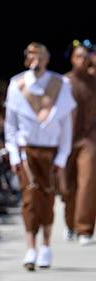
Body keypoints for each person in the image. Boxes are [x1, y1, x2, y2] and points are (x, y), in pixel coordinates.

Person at [4, 42, 76, 270]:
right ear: (27, 59)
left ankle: (46, 246)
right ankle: (31, 247)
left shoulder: (60, 84)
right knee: (29, 198)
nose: (37, 60)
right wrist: (14, 154)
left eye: (41, 56)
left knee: (47, 198)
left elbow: (66, 123)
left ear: (47, 59)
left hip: (51, 150)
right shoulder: (17, 84)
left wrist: (63, 156)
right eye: (32, 56)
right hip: (27, 151)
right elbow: (11, 124)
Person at [63, 41, 96, 245]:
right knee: (68, 185)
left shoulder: (94, 80)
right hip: (65, 140)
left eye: (86, 56)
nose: (82, 60)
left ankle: (84, 228)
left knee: (88, 180)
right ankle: (70, 225)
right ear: (72, 58)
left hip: (89, 138)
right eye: (79, 56)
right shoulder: (64, 82)